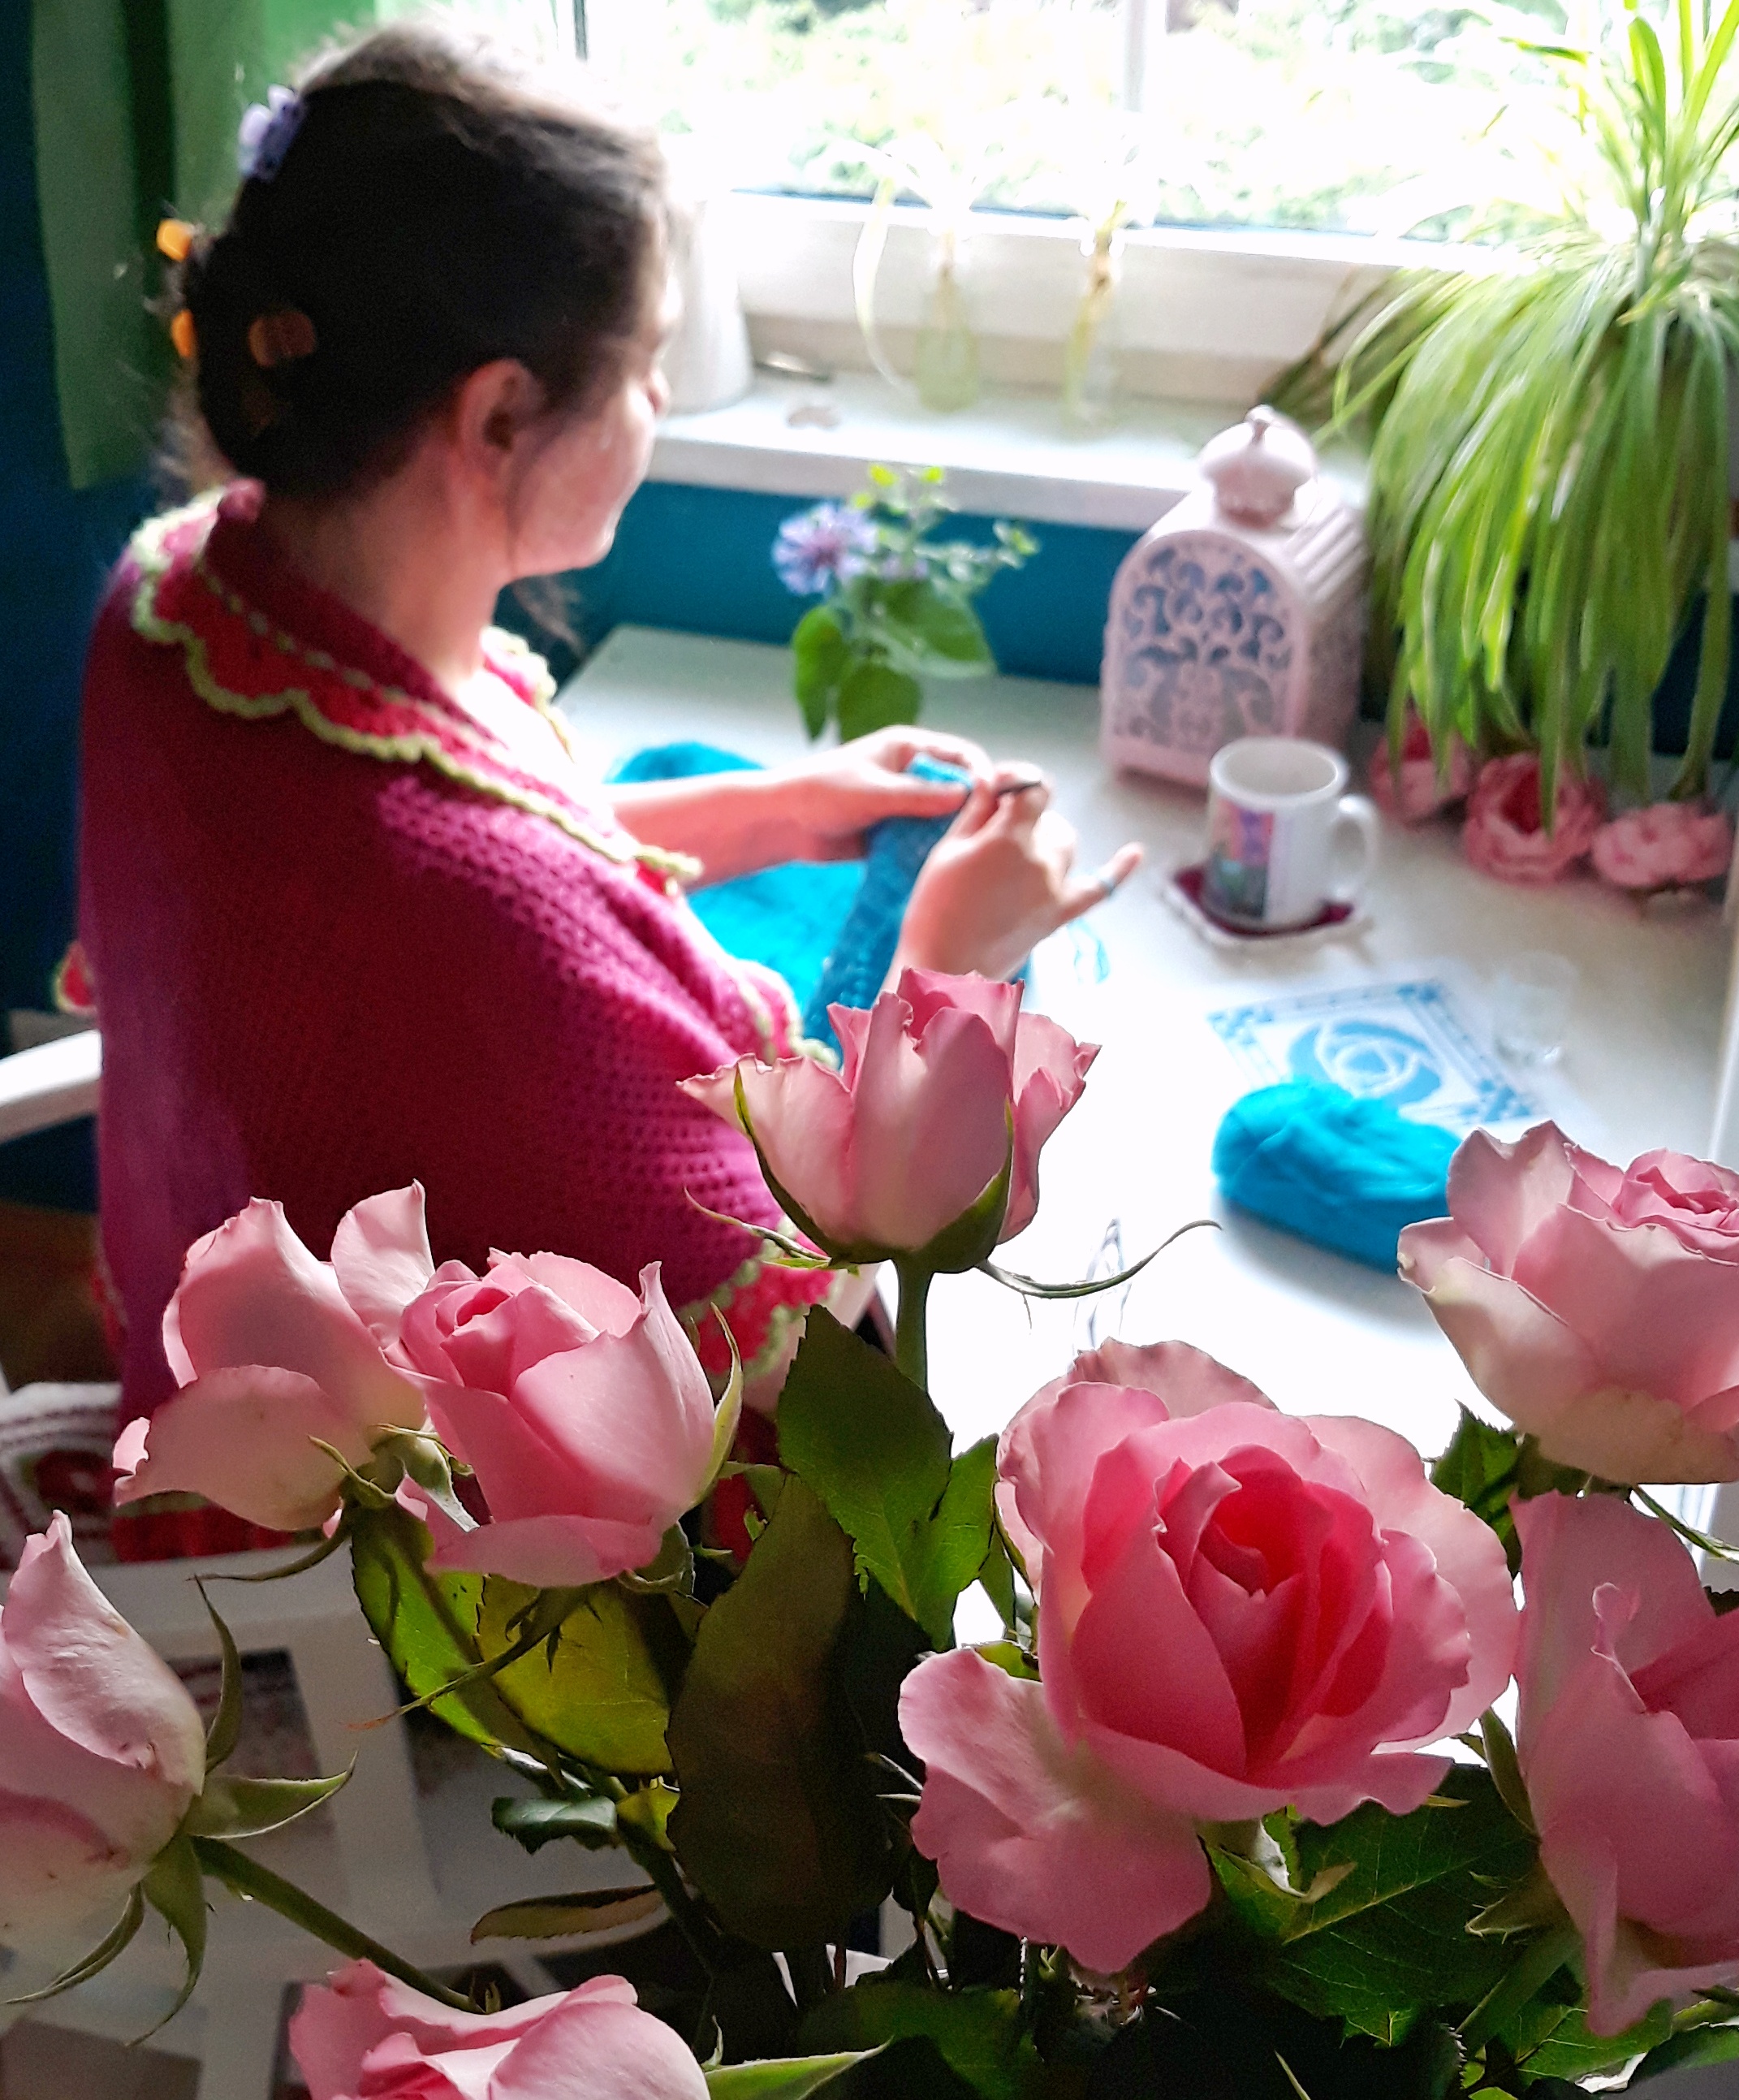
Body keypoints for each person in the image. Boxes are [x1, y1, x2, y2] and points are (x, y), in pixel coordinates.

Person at [75, 22, 1141, 1482]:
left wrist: (781, 805)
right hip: (415, 1520)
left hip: (220, 1310)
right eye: (640, 366)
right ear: (500, 414)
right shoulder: (475, 916)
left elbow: (505, 811)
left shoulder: (191, 597)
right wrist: (956, 950)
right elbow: (808, 1268)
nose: (651, 406)